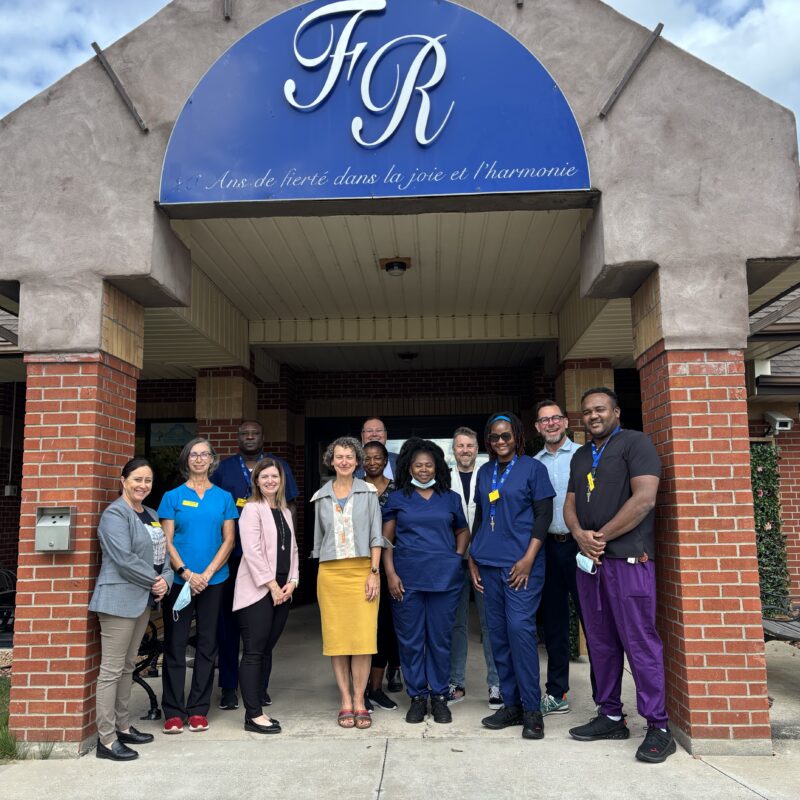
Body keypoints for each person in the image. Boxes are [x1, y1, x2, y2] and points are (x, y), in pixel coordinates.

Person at [564, 387, 676, 763]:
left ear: (616, 411)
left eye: (599, 409)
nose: (592, 416)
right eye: (587, 411)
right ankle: (610, 715)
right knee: (600, 643)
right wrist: (580, 535)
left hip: (628, 562)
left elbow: (644, 499)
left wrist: (602, 537)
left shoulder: (635, 443)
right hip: (590, 564)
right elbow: (570, 502)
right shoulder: (580, 455)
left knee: (640, 643)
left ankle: (658, 726)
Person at [468, 412, 554, 740]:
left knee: (519, 631)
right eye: (494, 437)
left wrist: (529, 558)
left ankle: (533, 710)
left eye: (506, 436)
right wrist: (472, 559)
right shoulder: (485, 471)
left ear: (517, 437)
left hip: (521, 566)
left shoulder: (534, 468)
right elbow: (480, 518)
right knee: (498, 635)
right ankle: (511, 704)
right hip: (488, 563)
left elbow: (543, 516)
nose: (500, 442)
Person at [212, 420, 299, 711]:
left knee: (264, 634)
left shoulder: (279, 469)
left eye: (255, 433)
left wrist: (290, 573)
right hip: (234, 562)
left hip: (275, 565)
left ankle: (259, 688)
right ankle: (228, 687)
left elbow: (291, 520)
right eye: (244, 434)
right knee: (231, 630)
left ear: (263, 437)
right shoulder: (224, 469)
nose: (249, 437)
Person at [89, 457, 173, 761]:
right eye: (137, 479)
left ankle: (124, 726)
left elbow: (164, 554)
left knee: (127, 666)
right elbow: (123, 559)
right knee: (111, 670)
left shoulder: (150, 514)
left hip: (143, 599)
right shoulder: (114, 514)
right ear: (123, 480)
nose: (143, 485)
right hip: (118, 600)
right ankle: (107, 739)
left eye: (148, 480)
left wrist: (165, 579)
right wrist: (155, 581)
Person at [382, 439, 470, 724]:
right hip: (407, 580)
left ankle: (440, 695)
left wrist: (456, 558)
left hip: (445, 578)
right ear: (409, 468)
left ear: (437, 467)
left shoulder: (450, 498)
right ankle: (418, 696)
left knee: (440, 639)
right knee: (411, 640)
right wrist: (391, 574)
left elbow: (463, 531)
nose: (423, 470)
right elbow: (386, 540)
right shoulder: (398, 498)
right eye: (418, 465)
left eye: (428, 465)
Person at [158, 438, 237, 734]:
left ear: (212, 460)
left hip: (214, 581)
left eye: (205, 454)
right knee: (176, 645)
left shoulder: (224, 498)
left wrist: (207, 573)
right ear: (186, 459)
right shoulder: (172, 497)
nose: (199, 459)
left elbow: (229, 539)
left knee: (207, 644)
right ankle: (174, 711)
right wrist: (187, 573)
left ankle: (198, 710)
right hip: (181, 581)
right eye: (194, 454)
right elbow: (166, 541)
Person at [311, 436, 383, 730]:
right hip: (330, 574)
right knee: (338, 640)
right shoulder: (320, 497)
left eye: (349, 457)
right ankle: (345, 700)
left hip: (363, 571)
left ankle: (360, 700)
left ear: (357, 462)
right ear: (331, 461)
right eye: (338, 456)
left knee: (363, 640)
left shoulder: (369, 493)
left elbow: (377, 536)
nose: (344, 461)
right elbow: (319, 540)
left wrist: (374, 572)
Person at [533, 400, 596, 715]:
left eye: (556, 418)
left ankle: (605, 695)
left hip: (580, 546)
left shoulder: (585, 456)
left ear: (566, 422)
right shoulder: (533, 464)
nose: (551, 424)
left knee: (593, 620)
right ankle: (557, 693)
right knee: (555, 624)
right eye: (545, 420)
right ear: (537, 427)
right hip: (547, 548)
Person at [233, 458, 299, 734]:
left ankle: (258, 702)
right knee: (254, 652)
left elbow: (293, 549)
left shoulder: (283, 510)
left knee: (266, 650)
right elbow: (252, 552)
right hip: (258, 592)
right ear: (256, 481)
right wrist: (272, 585)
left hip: (283, 591)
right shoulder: (251, 509)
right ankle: (253, 715)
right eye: (265, 477)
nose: (270, 480)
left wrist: (293, 581)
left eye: (275, 476)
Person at [447, 426, 502, 709]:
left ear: (476, 448)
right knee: (456, 623)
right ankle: (455, 683)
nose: (465, 450)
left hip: (485, 559)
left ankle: (497, 684)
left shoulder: (490, 473)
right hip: (454, 560)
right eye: (460, 446)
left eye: (470, 446)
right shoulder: (443, 478)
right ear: (453, 450)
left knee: (490, 622)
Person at [355, 417, 402, 692]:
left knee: (389, 624)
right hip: (362, 564)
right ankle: (365, 684)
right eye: (368, 458)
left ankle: (388, 675)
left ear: (386, 461)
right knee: (366, 625)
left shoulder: (397, 490)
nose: (372, 462)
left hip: (392, 564)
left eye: (378, 458)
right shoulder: (355, 489)